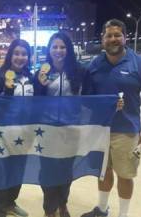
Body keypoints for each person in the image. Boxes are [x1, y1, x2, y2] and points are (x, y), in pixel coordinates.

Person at [81, 19, 141, 217]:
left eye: (117, 35)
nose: (113, 39)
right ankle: (102, 209)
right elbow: (86, 100)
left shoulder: (140, 63)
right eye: (109, 36)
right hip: (100, 130)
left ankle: (123, 215)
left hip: (127, 131)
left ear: (125, 37)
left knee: (125, 175)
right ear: (102, 39)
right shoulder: (94, 65)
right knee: (102, 172)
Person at [33, 32, 85, 217]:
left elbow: (92, 97)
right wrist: (39, 84)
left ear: (68, 49)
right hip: (47, 131)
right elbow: (35, 102)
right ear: (49, 50)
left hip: (71, 130)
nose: (58, 50)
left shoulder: (79, 71)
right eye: (54, 47)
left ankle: (63, 204)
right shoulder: (41, 72)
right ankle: (49, 209)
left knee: (65, 170)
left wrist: (112, 102)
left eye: (62, 47)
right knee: (47, 171)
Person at [0, 39, 33, 217]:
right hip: (2, 133)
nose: (20, 57)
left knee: (17, 170)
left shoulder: (31, 78)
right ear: (10, 55)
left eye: (24, 54)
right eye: (17, 53)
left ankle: (10, 203)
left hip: (24, 134)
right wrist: (7, 91)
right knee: (1, 171)